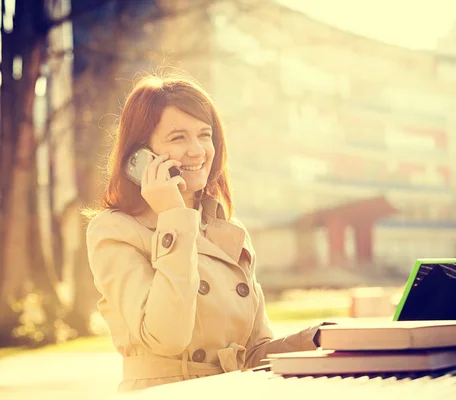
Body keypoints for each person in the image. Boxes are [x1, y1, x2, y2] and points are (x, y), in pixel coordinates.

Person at [85, 73, 324, 392]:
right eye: (178, 137)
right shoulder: (115, 230)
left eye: (204, 135)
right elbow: (166, 337)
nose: (198, 150)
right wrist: (173, 217)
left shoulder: (228, 229)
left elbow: (254, 354)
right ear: (142, 156)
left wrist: (319, 338)